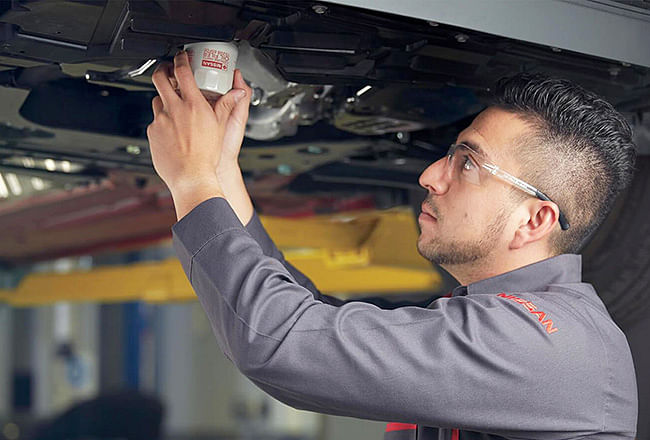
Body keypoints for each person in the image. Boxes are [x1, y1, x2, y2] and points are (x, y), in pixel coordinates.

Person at [146, 50, 638, 439]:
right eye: (451, 154)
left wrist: (192, 182)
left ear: (534, 219)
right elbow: (313, 322)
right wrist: (219, 173)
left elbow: (283, 340)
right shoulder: (518, 330)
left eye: (468, 163)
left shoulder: (546, 345)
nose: (430, 176)